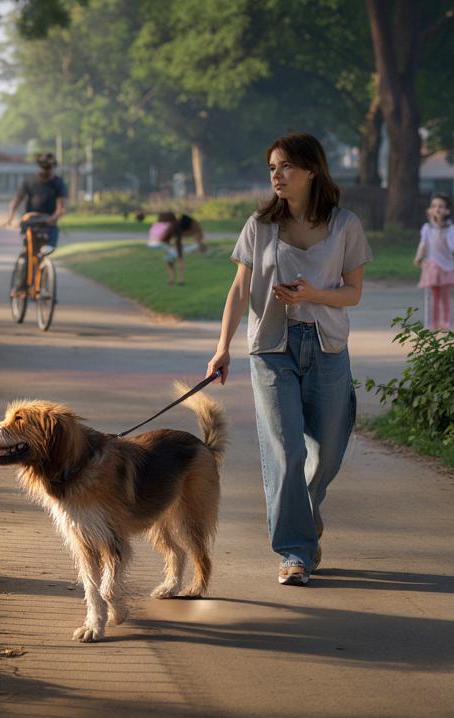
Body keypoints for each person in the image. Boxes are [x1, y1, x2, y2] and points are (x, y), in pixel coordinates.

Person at [207, 132, 372, 587]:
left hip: (327, 347)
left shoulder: (345, 225)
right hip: (271, 349)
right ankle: (295, 551)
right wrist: (222, 347)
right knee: (286, 451)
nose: (276, 176)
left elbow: (353, 293)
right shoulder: (259, 225)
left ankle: (307, 510)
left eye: (286, 167)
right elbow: (239, 289)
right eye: (272, 168)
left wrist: (313, 294)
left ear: (311, 170)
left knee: (328, 451)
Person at [3, 152, 68, 292]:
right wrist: (10, 217)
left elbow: (61, 207)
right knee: (28, 253)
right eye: (44, 167)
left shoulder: (58, 183)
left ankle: (42, 278)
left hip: (49, 222)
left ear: (53, 167)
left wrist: (53, 218)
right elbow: (17, 200)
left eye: (49, 167)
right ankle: (21, 285)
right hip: (30, 221)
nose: (47, 170)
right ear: (40, 167)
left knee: (46, 249)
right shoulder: (29, 181)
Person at [414, 194, 454, 331]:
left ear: (447, 211)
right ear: (429, 210)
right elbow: (423, 244)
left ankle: (445, 323)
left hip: (446, 267)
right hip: (432, 265)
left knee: (445, 297)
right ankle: (434, 323)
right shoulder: (427, 228)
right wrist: (418, 257)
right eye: (434, 206)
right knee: (434, 296)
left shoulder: (450, 228)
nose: (437, 209)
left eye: (441, 206)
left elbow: (453, 247)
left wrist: (443, 229)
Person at [148, 212, 183, 285]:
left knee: (170, 263)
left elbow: (156, 235)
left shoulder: (161, 225)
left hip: (167, 246)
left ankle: (172, 279)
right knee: (177, 261)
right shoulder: (171, 225)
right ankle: (179, 279)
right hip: (171, 246)